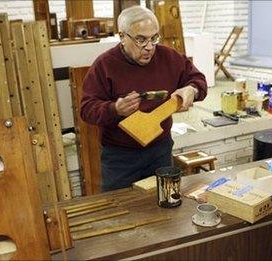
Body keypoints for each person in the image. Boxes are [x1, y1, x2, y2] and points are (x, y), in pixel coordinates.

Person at [80, 6, 207, 192]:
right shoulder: (105, 65)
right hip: (119, 157)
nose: (149, 47)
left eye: (154, 38)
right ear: (122, 37)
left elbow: (199, 80)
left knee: (164, 204)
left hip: (160, 150)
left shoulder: (169, 57)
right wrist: (115, 109)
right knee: (119, 209)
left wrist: (192, 90)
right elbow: (86, 109)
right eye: (141, 39)